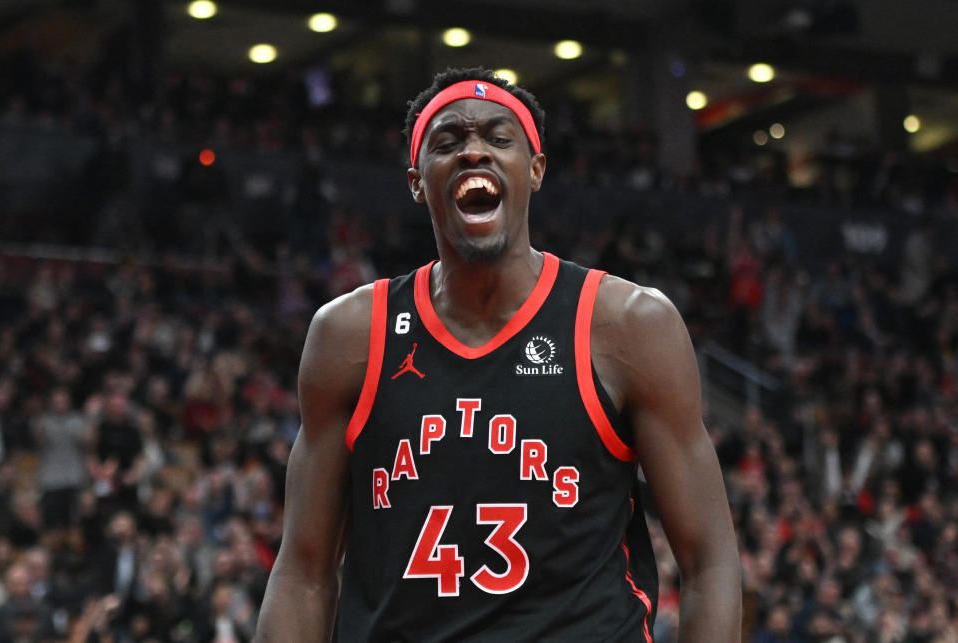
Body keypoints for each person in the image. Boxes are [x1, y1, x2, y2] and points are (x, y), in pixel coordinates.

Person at [255, 67, 741, 642]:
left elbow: (710, 560)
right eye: (449, 141)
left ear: (535, 170)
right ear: (416, 181)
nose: (474, 152)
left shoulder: (627, 326)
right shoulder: (350, 335)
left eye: (498, 138)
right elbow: (304, 572)